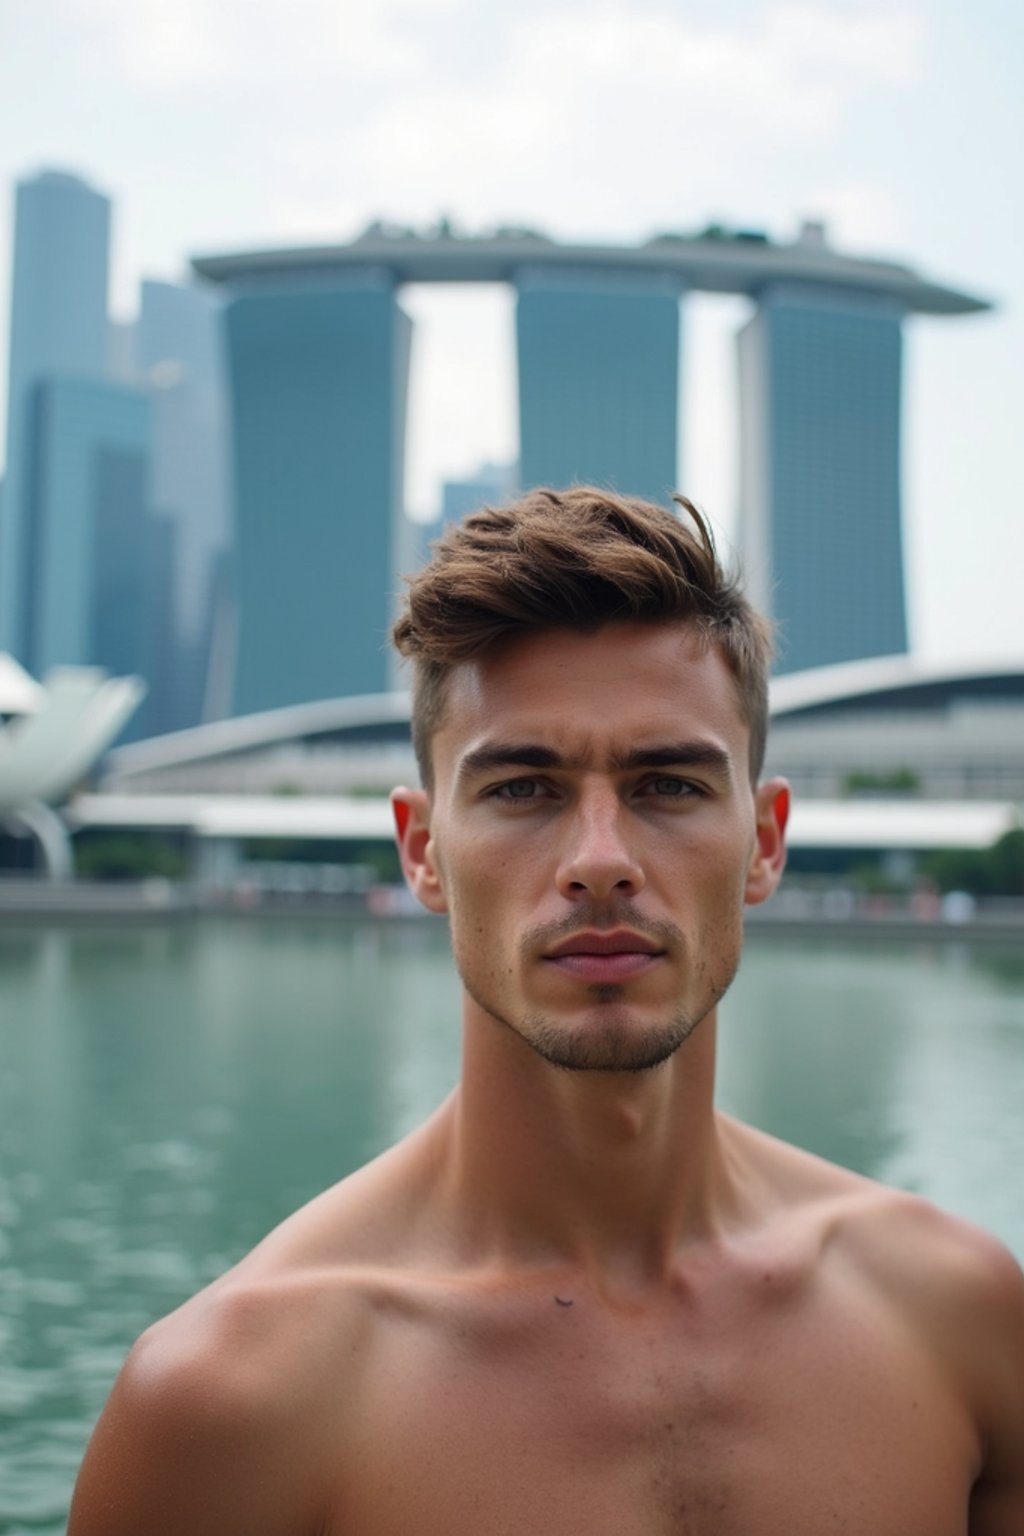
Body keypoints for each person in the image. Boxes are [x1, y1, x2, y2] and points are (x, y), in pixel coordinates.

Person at [69, 487, 1024, 1534]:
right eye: (524, 788)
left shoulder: (958, 1315)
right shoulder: (233, 1400)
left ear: (764, 841)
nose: (601, 862)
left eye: (668, 785)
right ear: (422, 848)